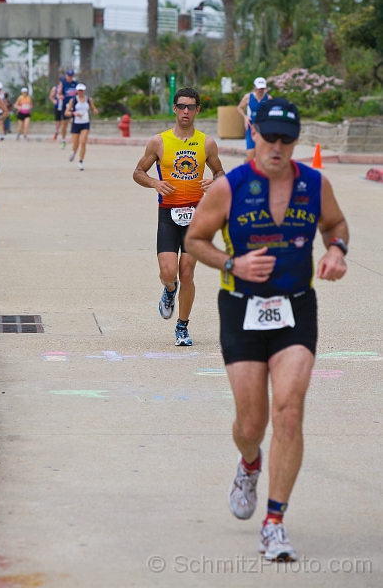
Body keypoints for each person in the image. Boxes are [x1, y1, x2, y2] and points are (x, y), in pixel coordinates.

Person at [185, 97, 348, 561]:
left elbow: (335, 226)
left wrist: (336, 251)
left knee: (290, 412)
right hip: (241, 308)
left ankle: (274, 522)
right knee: (252, 424)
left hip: (296, 307)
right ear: (253, 133)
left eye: (286, 139)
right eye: (269, 136)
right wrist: (232, 262)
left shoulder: (315, 184)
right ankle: (249, 462)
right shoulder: (229, 187)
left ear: (295, 141)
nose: (276, 146)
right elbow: (195, 241)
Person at [133, 87, 225, 346]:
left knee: (187, 273)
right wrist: (154, 183)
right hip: (168, 214)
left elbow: (221, 173)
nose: (186, 111)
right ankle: (169, 291)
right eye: (181, 106)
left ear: (197, 110)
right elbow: (138, 171)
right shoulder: (159, 142)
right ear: (174, 109)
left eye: (191, 107)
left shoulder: (207, 143)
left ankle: (182, 327)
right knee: (168, 273)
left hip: (197, 215)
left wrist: (214, 181)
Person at [64, 83, 98, 170]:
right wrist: (74, 113)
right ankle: (73, 151)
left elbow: (93, 108)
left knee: (83, 142)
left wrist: (95, 110)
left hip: (85, 123)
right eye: (79, 90)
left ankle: (80, 162)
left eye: (82, 90)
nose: (80, 92)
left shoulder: (88, 99)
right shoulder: (73, 100)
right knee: (76, 144)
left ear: (84, 90)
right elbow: (66, 112)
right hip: (76, 123)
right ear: (77, 91)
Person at [238, 78, 272, 161]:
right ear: (254, 87)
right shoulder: (248, 97)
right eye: (259, 88)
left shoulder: (268, 98)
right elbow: (239, 108)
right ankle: (245, 168)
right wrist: (245, 117)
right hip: (251, 127)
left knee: (261, 154)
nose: (260, 90)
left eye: (262, 88)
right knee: (251, 154)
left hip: (263, 128)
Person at [57, 69, 77, 149]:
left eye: (71, 76)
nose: (70, 77)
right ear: (66, 76)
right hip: (65, 105)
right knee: (64, 124)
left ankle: (74, 139)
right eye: (68, 76)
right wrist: (60, 97)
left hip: (74, 106)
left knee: (73, 122)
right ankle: (63, 139)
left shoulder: (75, 84)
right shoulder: (63, 83)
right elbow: (58, 94)